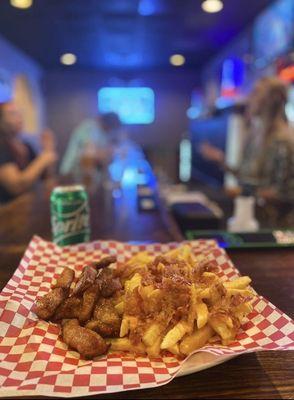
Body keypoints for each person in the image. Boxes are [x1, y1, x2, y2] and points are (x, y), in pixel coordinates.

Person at [201, 77, 294, 201]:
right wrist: (221, 160)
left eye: (256, 93)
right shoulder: (256, 136)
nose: (249, 98)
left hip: (275, 219)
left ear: (271, 100)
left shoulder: (283, 141)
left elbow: (285, 194)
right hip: (255, 216)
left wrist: (244, 193)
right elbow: (247, 178)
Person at [0, 101, 57, 204]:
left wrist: (48, 149)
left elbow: (46, 178)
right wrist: (43, 159)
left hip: (28, 207)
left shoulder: (26, 145)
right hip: (8, 214)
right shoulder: (2, 147)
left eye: (20, 113)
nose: (19, 117)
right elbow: (16, 186)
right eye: (12, 114)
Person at [60, 112, 121, 182]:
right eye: (111, 128)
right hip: (72, 172)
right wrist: (105, 153)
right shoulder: (89, 127)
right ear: (107, 124)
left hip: (90, 177)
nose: (110, 131)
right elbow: (89, 151)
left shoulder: (103, 134)